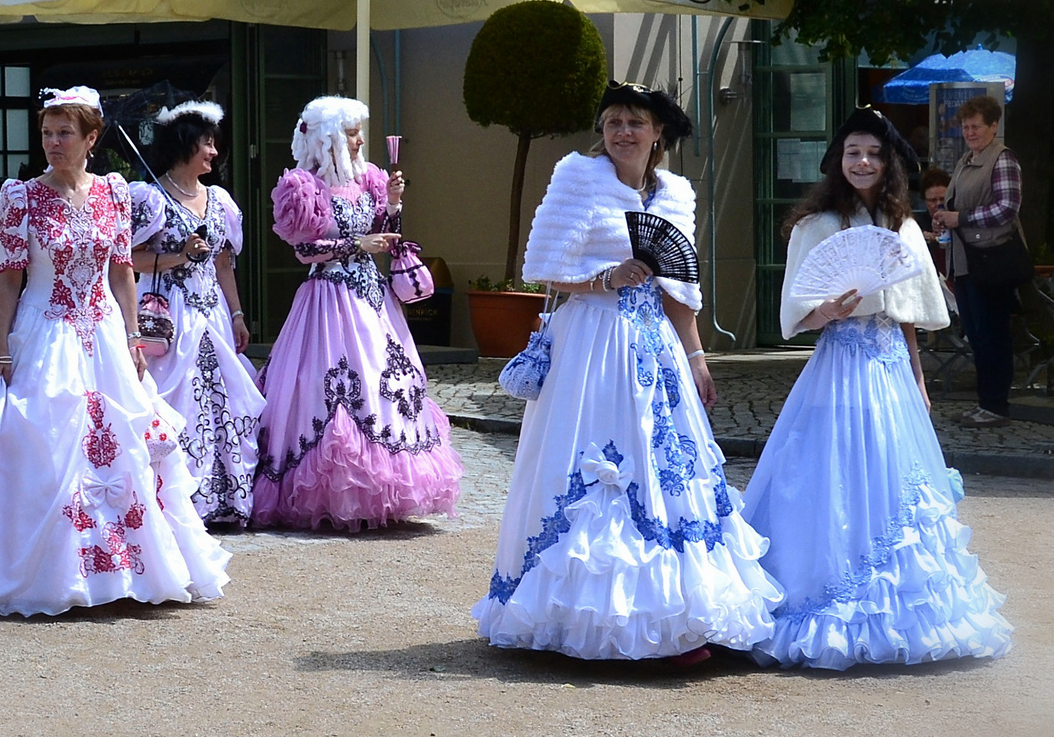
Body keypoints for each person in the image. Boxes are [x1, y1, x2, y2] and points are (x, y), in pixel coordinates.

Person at [473, 83, 782, 664]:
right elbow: (543, 270)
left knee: (663, 465)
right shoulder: (576, 178)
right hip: (590, 341)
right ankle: (574, 611)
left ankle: (676, 613)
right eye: (612, 121)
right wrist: (604, 279)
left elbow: (680, 289)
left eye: (635, 122)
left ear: (657, 132)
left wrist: (696, 358)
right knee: (592, 462)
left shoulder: (676, 194)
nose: (622, 132)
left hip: (655, 345)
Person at [0, 87, 230, 615]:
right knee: (41, 451)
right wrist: (1, 347)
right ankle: (45, 574)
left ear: (91, 139)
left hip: (103, 339)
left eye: (64, 133)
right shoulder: (20, 196)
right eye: (47, 133)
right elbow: (7, 279)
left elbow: (122, 272)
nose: (52, 143)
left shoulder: (115, 192)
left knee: (123, 452)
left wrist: (132, 336)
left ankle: (122, 572)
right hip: (42, 331)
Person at [740, 107, 1012, 671]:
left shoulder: (901, 226)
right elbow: (799, 315)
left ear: (887, 163)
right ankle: (826, 596)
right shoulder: (815, 226)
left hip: (888, 363)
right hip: (839, 361)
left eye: (872, 153)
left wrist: (916, 373)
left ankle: (902, 611)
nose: (862, 162)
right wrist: (827, 309)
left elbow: (906, 310)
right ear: (838, 163)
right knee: (831, 471)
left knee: (894, 473)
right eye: (852, 153)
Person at [251, 96, 462, 530]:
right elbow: (304, 250)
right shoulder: (303, 186)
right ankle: (327, 489)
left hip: (372, 300)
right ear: (327, 136)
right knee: (324, 387)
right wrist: (356, 245)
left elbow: (386, 233)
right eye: (351, 133)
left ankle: (385, 489)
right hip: (327, 301)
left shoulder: (369, 179)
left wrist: (394, 204)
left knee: (382, 383)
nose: (360, 140)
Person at [127, 100, 265, 526]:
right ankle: (180, 503)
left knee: (226, 402)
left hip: (214, 316)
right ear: (185, 144)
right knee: (177, 402)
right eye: (207, 143)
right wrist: (178, 256)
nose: (213, 152)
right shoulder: (150, 198)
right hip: (170, 314)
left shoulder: (220, 201)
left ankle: (225, 499)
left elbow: (224, 263)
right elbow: (127, 260)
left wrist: (238, 314)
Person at [934, 94, 1022, 426]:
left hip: (991, 261)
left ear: (994, 126)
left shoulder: (1002, 160)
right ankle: (986, 403)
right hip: (967, 262)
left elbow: (1007, 209)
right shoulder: (967, 159)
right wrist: (944, 217)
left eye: (976, 126)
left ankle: (996, 406)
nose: (970, 132)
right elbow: (955, 205)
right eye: (966, 126)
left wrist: (961, 218)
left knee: (992, 335)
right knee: (977, 335)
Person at [919, 166, 959, 315]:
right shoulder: (918, 223)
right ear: (924, 201)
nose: (938, 204)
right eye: (932, 200)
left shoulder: (957, 219)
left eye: (942, 199)